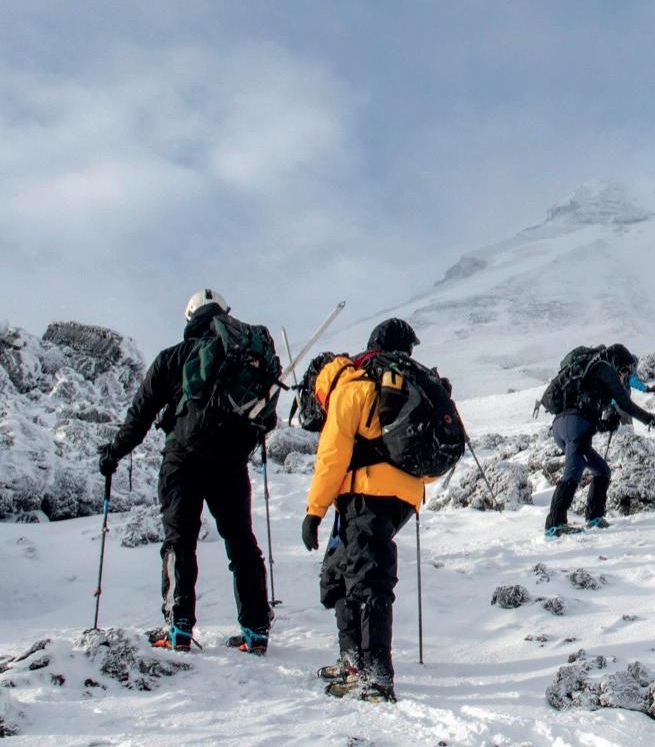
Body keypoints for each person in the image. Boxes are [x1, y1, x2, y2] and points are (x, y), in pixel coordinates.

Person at [97, 289, 275, 654]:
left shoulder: (172, 358)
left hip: (182, 458)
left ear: (190, 319)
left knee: (179, 540)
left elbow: (139, 416)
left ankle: (178, 628)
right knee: (241, 542)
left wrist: (113, 454)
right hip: (231, 464)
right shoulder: (247, 357)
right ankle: (256, 631)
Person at [299, 317, 436, 704]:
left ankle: (376, 674)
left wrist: (314, 511)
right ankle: (353, 662)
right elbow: (428, 462)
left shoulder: (355, 384)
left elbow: (332, 454)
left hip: (363, 494)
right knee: (346, 573)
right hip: (402, 499)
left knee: (365, 579)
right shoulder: (416, 388)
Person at [540, 343, 655, 537]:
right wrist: (652, 419)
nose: (626, 375)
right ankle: (554, 524)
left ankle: (594, 517)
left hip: (563, 426)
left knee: (602, 470)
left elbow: (588, 408)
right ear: (617, 363)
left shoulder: (591, 372)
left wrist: (605, 424)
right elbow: (626, 404)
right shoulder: (604, 369)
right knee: (572, 473)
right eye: (625, 369)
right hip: (575, 426)